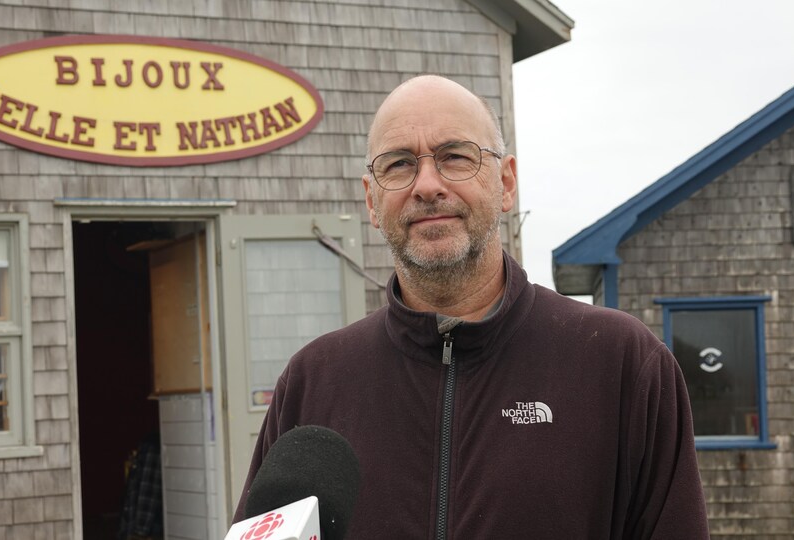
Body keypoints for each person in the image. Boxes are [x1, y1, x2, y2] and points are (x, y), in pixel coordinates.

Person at [234, 75, 709, 539]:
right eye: (398, 164)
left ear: (505, 183)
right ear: (372, 202)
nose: (426, 185)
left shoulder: (621, 363)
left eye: (454, 157)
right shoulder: (313, 381)